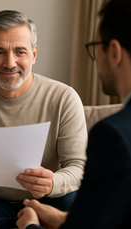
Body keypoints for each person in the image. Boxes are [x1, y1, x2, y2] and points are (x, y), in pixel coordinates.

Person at [0, 10, 87, 229]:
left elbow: (78, 167)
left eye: (20, 52)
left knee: (71, 200)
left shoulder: (64, 97)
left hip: (46, 199)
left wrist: (53, 183)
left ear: (34, 54)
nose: (10, 63)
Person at [16, 0, 131, 228]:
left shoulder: (114, 135)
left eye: (97, 46)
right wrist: (63, 219)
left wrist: (29, 226)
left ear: (114, 52)